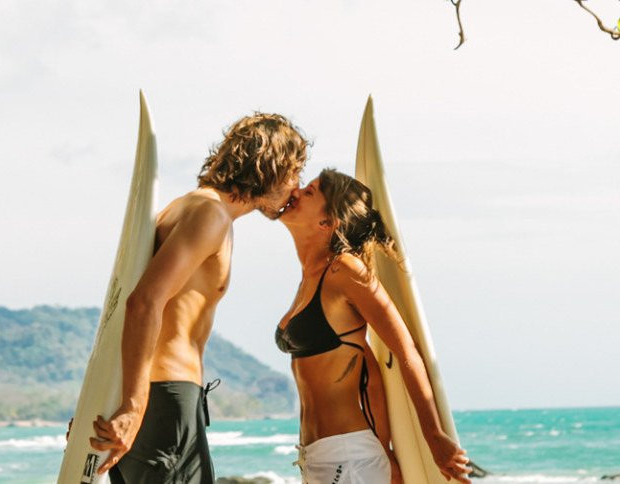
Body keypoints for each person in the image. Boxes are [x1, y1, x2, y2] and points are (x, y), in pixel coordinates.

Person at [88, 113, 310, 483]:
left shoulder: (184, 208)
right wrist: (132, 405)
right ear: (272, 166)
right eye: (294, 172)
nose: (296, 186)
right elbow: (143, 302)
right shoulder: (210, 214)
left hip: (153, 396)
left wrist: (107, 398)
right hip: (161, 400)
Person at [275, 168, 471, 484]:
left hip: (350, 457)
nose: (296, 192)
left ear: (328, 222)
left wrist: (433, 435)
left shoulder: (345, 271)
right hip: (316, 456)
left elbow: (405, 349)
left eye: (309, 192)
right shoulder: (309, 279)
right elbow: (365, 366)